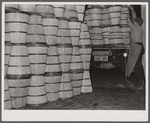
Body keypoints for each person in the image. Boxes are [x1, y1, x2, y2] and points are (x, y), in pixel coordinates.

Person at [125, 5, 145, 90]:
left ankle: (141, 81)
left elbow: (129, 21)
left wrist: (126, 13)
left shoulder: (135, 27)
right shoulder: (138, 26)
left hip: (137, 47)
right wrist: (132, 9)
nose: (134, 21)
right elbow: (134, 17)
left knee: (137, 65)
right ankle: (139, 81)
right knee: (136, 65)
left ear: (136, 22)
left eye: (135, 21)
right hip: (139, 46)